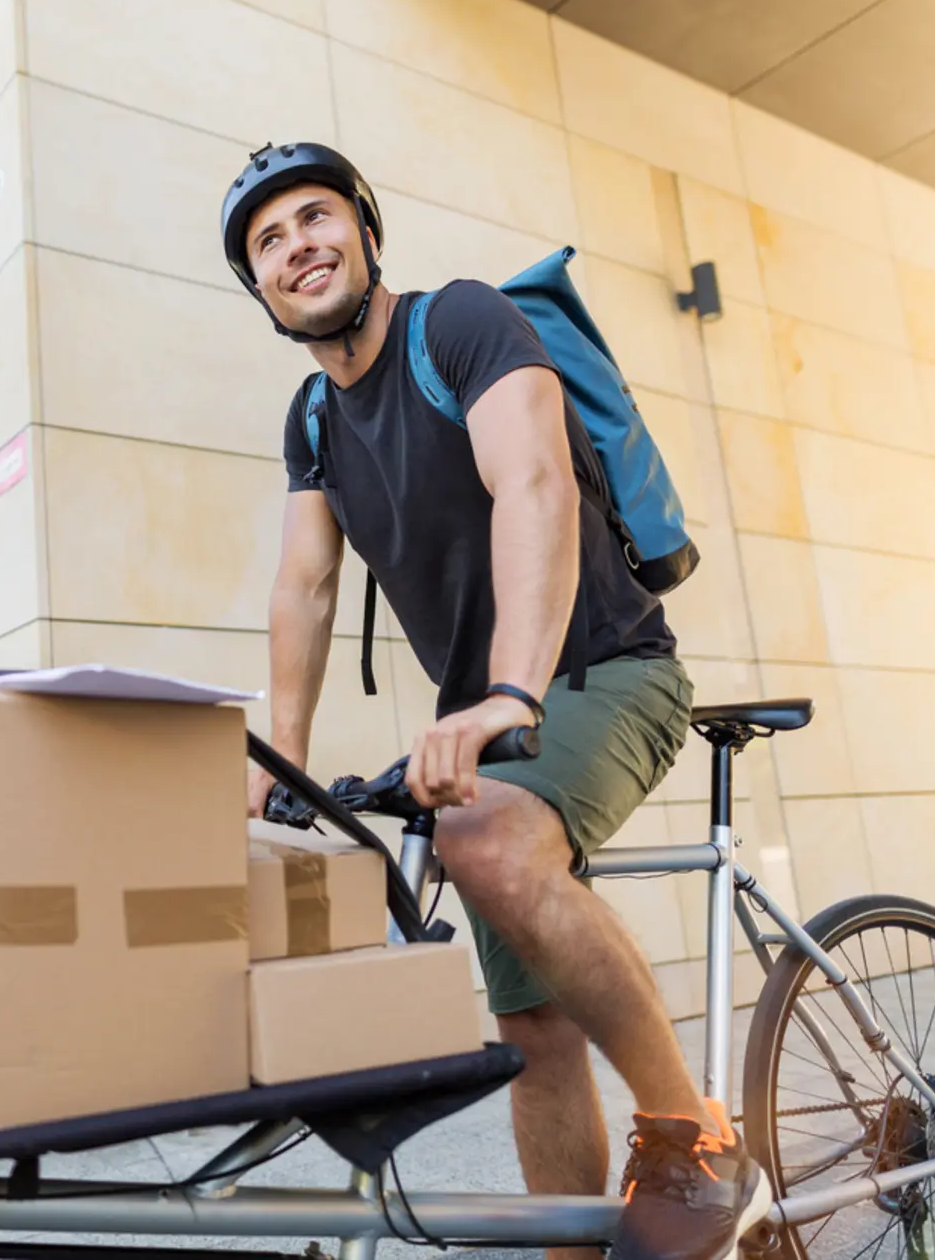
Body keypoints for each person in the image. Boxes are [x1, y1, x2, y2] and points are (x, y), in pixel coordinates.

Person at [224, 143, 769, 1260]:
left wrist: (508, 689)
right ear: (262, 288)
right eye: (267, 243)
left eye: (315, 217)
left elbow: (534, 486)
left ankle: (693, 1138)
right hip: (494, 719)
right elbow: (305, 583)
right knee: (531, 1026)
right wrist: (272, 764)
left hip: (606, 669)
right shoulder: (314, 421)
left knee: (482, 838)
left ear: (366, 233)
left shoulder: (460, 326)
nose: (297, 248)